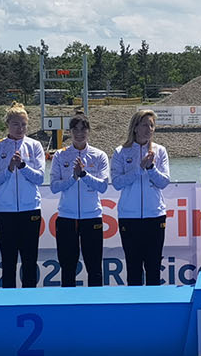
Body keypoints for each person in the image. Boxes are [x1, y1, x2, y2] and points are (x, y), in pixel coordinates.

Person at [0, 103, 46, 288]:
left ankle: (30, 298)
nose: (20, 128)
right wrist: (9, 169)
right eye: (16, 124)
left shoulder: (35, 146)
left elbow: (40, 178)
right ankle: (8, 300)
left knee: (29, 261)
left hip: (30, 210)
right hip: (5, 212)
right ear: (7, 124)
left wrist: (23, 166)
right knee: (8, 262)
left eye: (24, 124)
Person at [47, 110, 110, 287]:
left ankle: (95, 302)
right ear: (70, 132)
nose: (79, 133)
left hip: (92, 217)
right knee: (67, 269)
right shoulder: (60, 155)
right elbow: (54, 187)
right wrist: (73, 178)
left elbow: (103, 186)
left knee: (94, 268)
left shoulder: (99, 155)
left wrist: (84, 175)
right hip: (67, 217)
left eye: (83, 129)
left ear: (89, 131)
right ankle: (68, 302)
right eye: (75, 129)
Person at [111, 109, 171, 285]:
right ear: (135, 127)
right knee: (133, 268)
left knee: (153, 267)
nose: (149, 129)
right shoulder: (121, 152)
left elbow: (164, 182)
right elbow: (117, 183)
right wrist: (139, 169)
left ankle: (154, 301)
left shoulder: (160, 151)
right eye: (145, 125)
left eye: (152, 125)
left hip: (155, 216)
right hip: (129, 218)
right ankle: (135, 302)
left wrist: (151, 168)